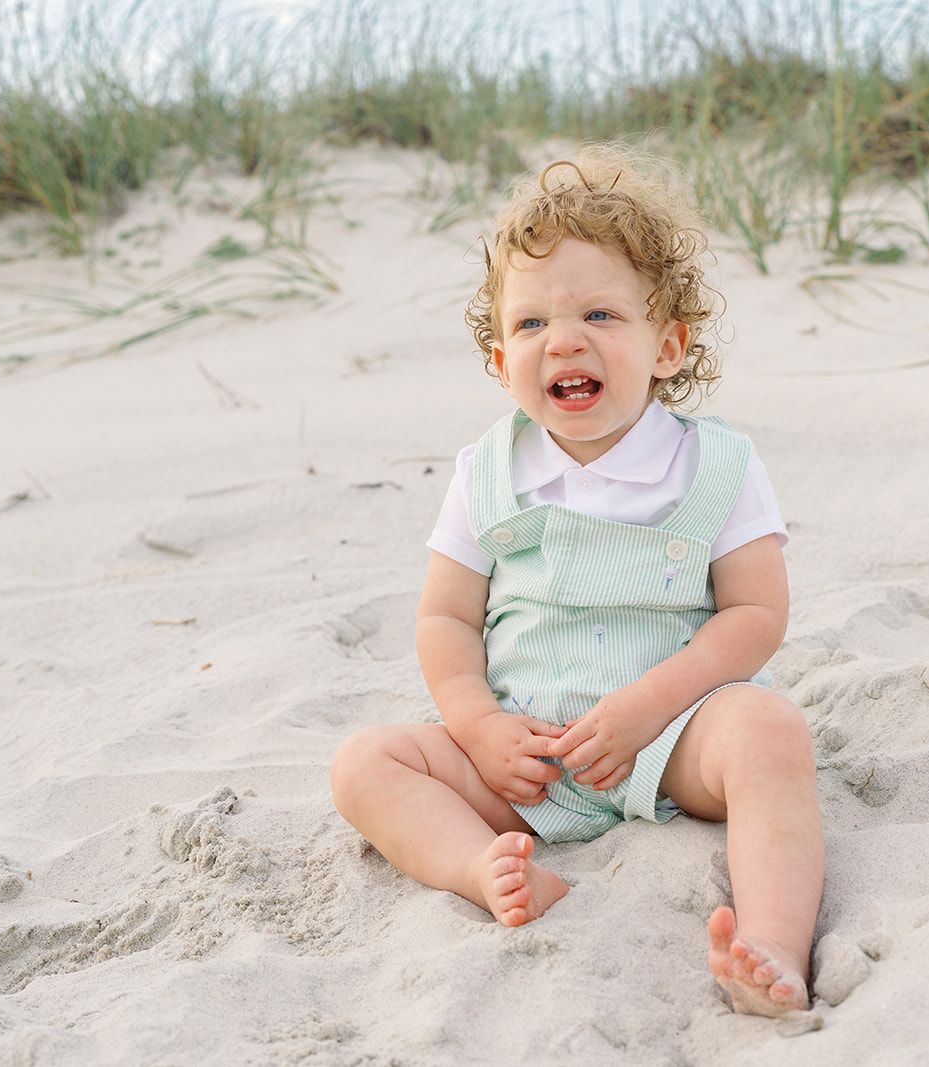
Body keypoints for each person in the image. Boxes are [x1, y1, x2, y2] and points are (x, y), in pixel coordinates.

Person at [329, 144, 823, 1017]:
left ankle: (773, 942)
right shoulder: (487, 471)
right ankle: (479, 867)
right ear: (497, 360)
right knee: (367, 762)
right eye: (529, 325)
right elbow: (445, 618)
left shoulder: (714, 466)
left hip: (673, 742)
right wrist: (479, 727)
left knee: (770, 730)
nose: (563, 339)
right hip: (529, 758)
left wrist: (647, 711)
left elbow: (756, 613)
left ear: (667, 344)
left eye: (599, 312)